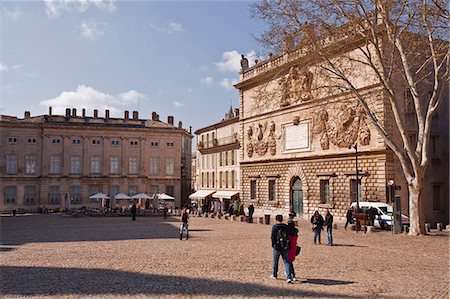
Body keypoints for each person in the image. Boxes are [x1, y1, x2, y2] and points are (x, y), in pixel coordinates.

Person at [271, 214, 293, 283]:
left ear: (276, 219)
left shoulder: (275, 227)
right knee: (286, 262)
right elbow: (290, 235)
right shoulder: (286, 227)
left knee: (275, 261)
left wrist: (273, 245)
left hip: (277, 247)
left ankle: (275, 275)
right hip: (285, 246)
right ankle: (288, 277)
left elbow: (272, 237)